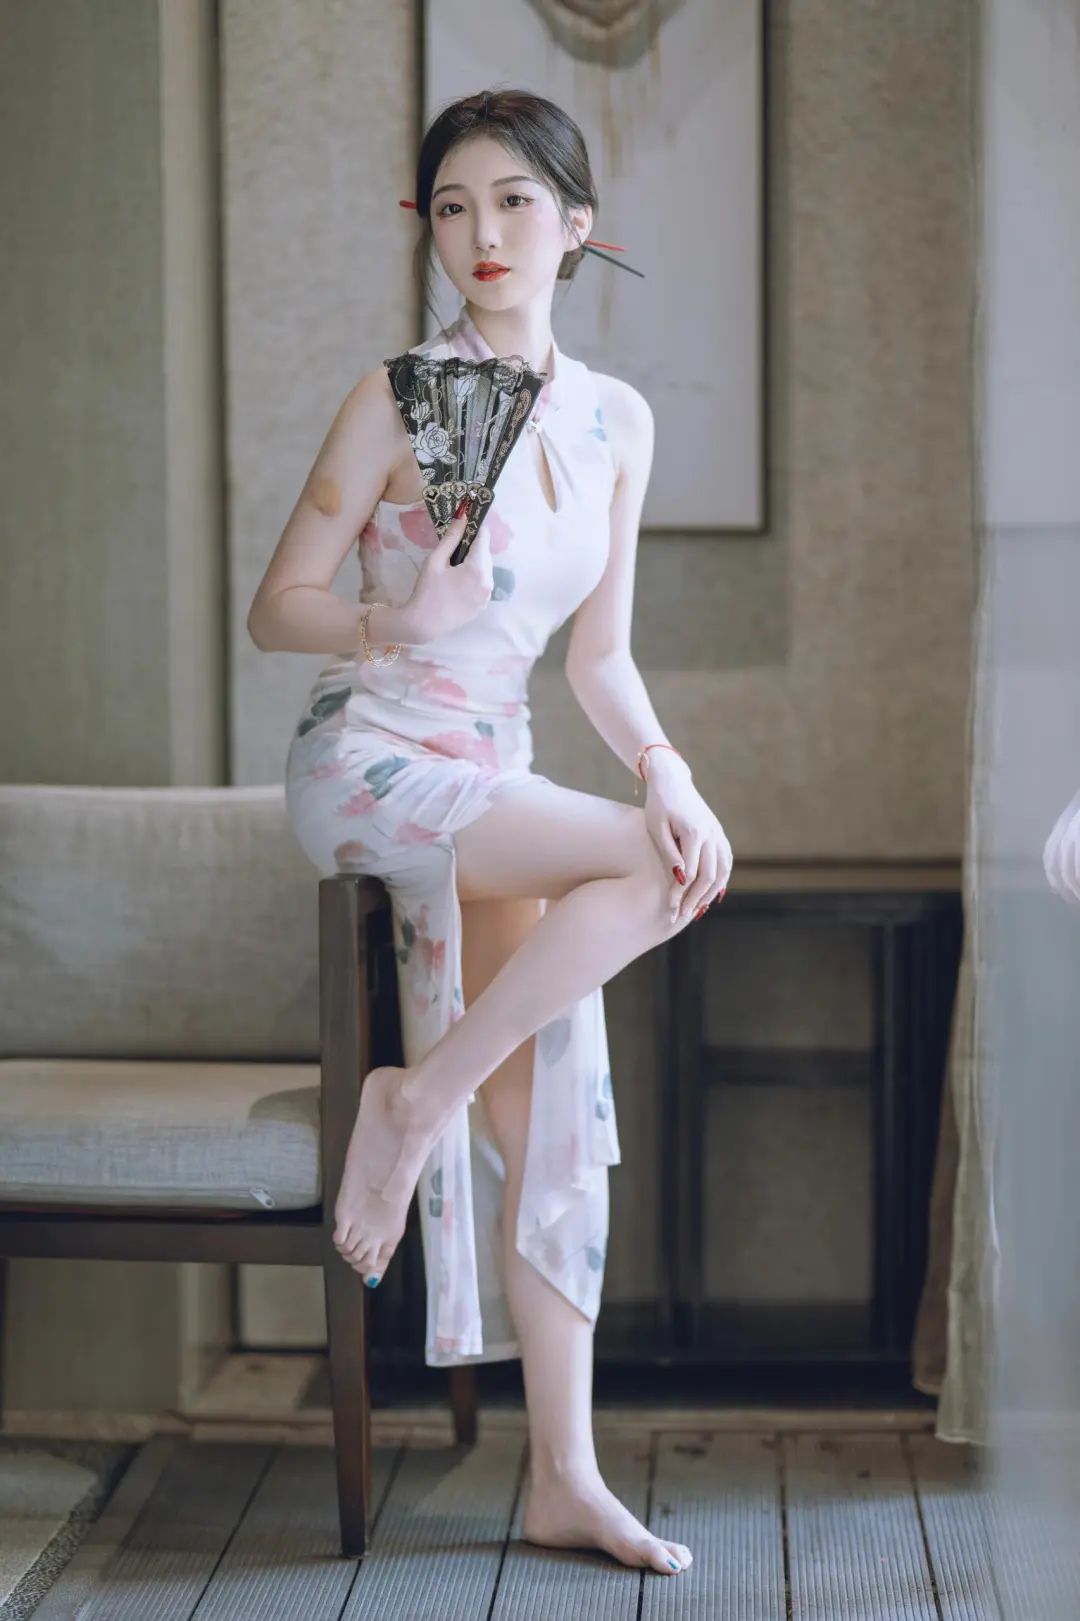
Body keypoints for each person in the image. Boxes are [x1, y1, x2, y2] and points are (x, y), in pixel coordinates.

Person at [247, 87, 732, 1576]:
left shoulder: (615, 420)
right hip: (374, 758)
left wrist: (666, 765)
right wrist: (400, 617)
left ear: (577, 225)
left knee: (558, 1109)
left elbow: (601, 656)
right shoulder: (401, 396)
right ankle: (413, 1107)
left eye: (516, 202)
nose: (484, 235)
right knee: (643, 868)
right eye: (452, 207)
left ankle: (565, 1477)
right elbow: (276, 609)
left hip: (497, 769)